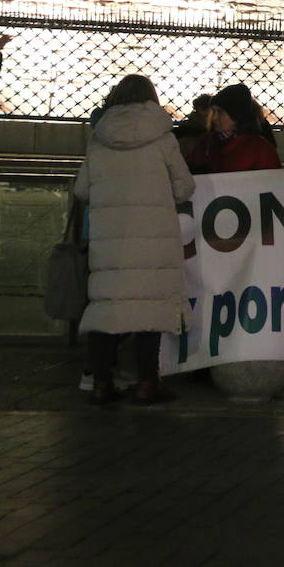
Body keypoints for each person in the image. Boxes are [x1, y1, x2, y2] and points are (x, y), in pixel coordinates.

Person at [73, 75, 195, 405]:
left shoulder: (99, 138)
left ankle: (100, 383)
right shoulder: (163, 137)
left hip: (109, 240)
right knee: (149, 312)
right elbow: (184, 186)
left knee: (105, 310)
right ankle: (146, 383)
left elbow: (82, 190)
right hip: (153, 238)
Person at [186, 83, 281, 173]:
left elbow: (272, 182)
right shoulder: (205, 143)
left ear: (236, 115)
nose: (214, 117)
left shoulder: (261, 149)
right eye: (213, 112)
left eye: (220, 112)